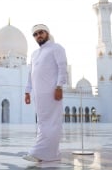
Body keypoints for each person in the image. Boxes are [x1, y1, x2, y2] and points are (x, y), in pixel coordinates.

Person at [23, 24, 68, 162]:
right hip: (39, 95)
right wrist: (27, 92)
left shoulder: (56, 48)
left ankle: (40, 152)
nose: (38, 36)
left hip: (52, 92)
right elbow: (31, 74)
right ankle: (50, 154)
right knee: (42, 123)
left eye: (41, 32)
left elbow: (62, 68)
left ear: (47, 33)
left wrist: (59, 87)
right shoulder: (34, 54)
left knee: (53, 123)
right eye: (35, 34)